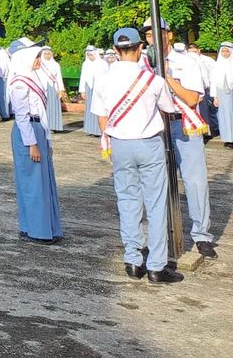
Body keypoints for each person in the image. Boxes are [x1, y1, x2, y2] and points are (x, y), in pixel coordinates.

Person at [92, 27, 182, 283]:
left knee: (128, 201)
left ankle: (133, 260)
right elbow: (168, 108)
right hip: (149, 143)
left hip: (120, 143)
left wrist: (111, 138)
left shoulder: (104, 79)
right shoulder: (153, 80)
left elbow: (101, 117)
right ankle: (156, 265)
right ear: (140, 48)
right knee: (155, 203)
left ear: (116, 50)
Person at [142, 18, 216, 258]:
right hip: (154, 128)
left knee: (195, 182)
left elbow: (193, 99)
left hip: (182, 126)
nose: (153, 38)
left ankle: (201, 235)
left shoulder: (186, 62)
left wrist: (166, 76)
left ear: (169, 35)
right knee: (155, 184)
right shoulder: (141, 63)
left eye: (158, 33)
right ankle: (159, 234)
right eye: (149, 35)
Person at [8, 38, 63, 244]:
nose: (39, 59)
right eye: (36, 56)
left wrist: (46, 138)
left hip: (37, 129)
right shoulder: (20, 83)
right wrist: (32, 144)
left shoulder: (31, 77)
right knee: (32, 183)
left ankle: (44, 227)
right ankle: (36, 231)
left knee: (42, 181)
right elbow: (22, 117)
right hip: (28, 132)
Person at [213, 42, 233, 149]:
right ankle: (229, 139)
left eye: (227, 51)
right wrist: (215, 96)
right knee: (224, 116)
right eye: (223, 51)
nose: (225, 53)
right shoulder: (217, 65)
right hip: (221, 93)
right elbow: (213, 82)